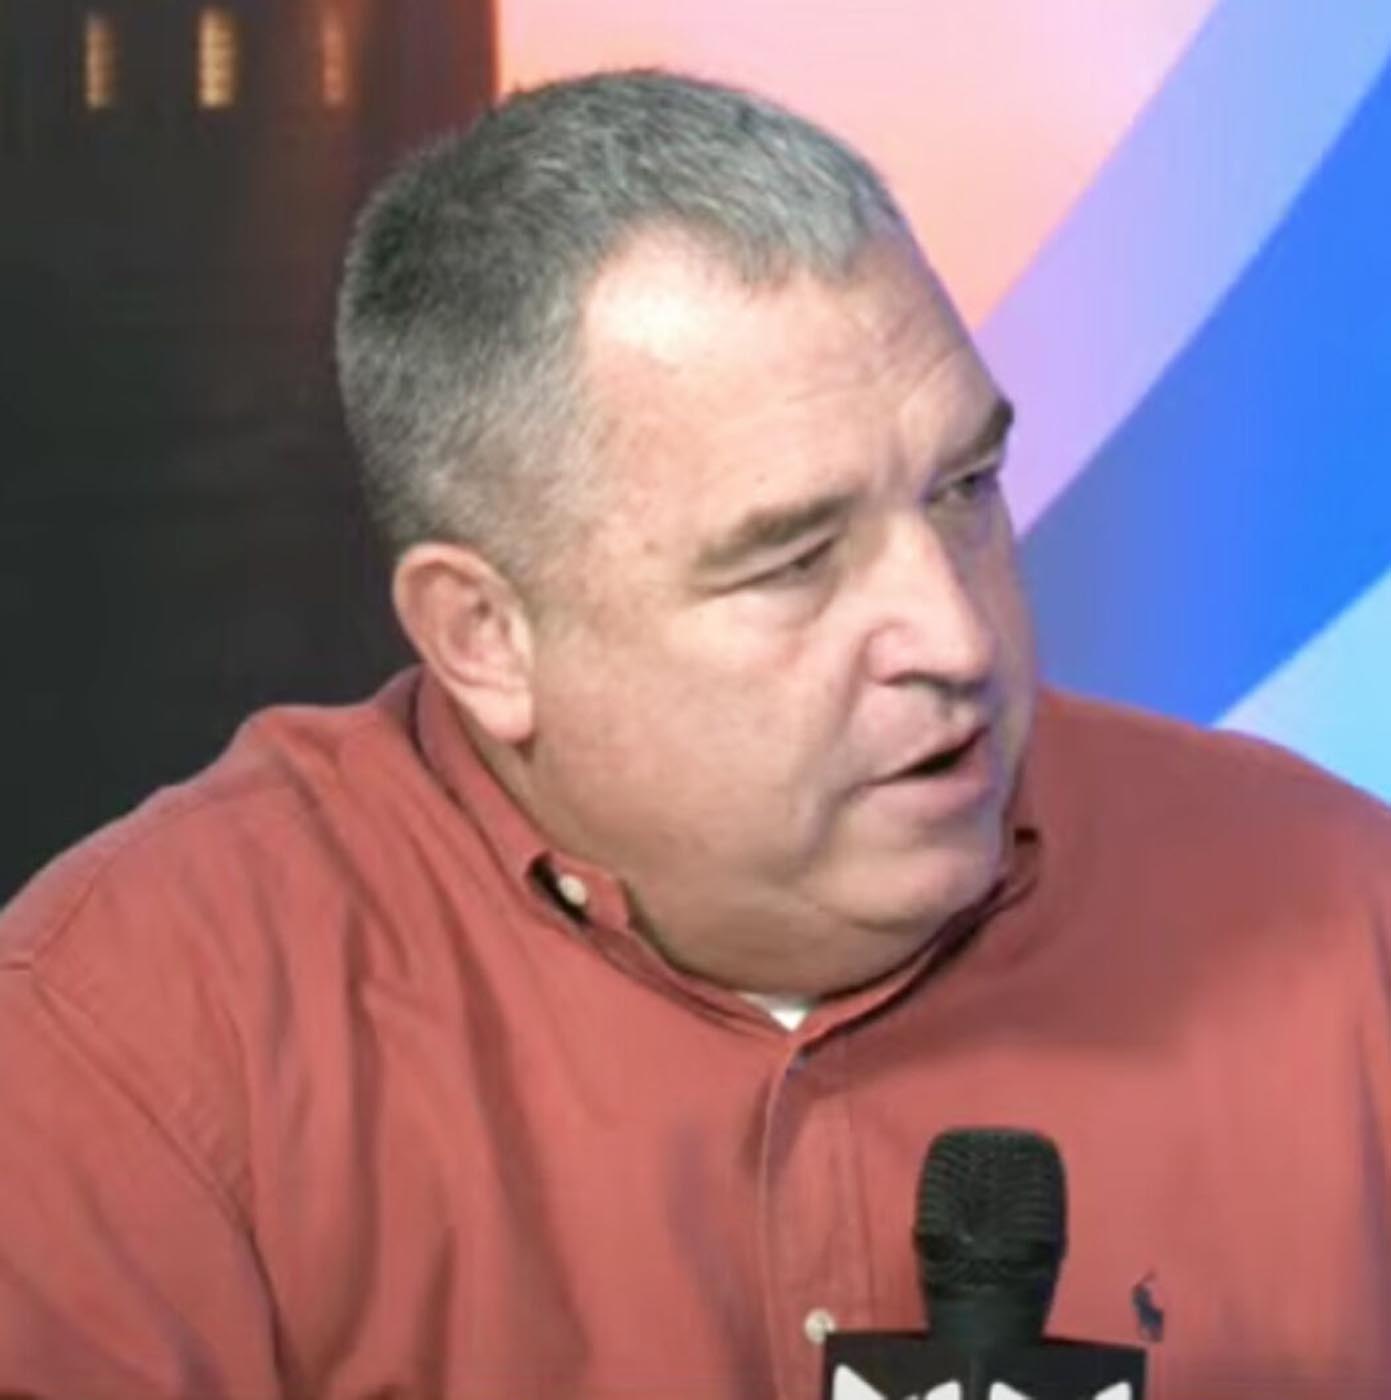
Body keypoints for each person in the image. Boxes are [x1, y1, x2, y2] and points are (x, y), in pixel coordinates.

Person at [1, 69, 1389, 1400]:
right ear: (486, 637)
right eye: (794, 561)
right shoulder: (138, 1040)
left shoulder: (1341, 907)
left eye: (964, 487)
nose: (958, 639)